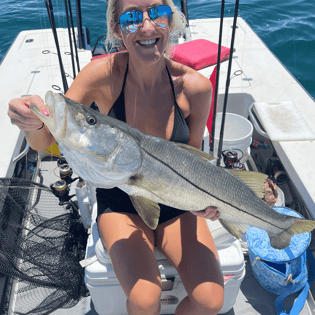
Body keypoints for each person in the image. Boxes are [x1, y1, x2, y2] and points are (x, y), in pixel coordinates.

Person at [8, 0, 224, 314]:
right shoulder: (100, 75)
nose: (148, 26)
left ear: (171, 21)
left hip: (176, 202)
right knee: (143, 300)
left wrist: (205, 201)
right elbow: (47, 141)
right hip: (120, 200)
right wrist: (33, 122)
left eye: (159, 14)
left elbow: (192, 160)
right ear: (116, 28)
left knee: (210, 300)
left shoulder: (196, 87)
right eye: (132, 18)